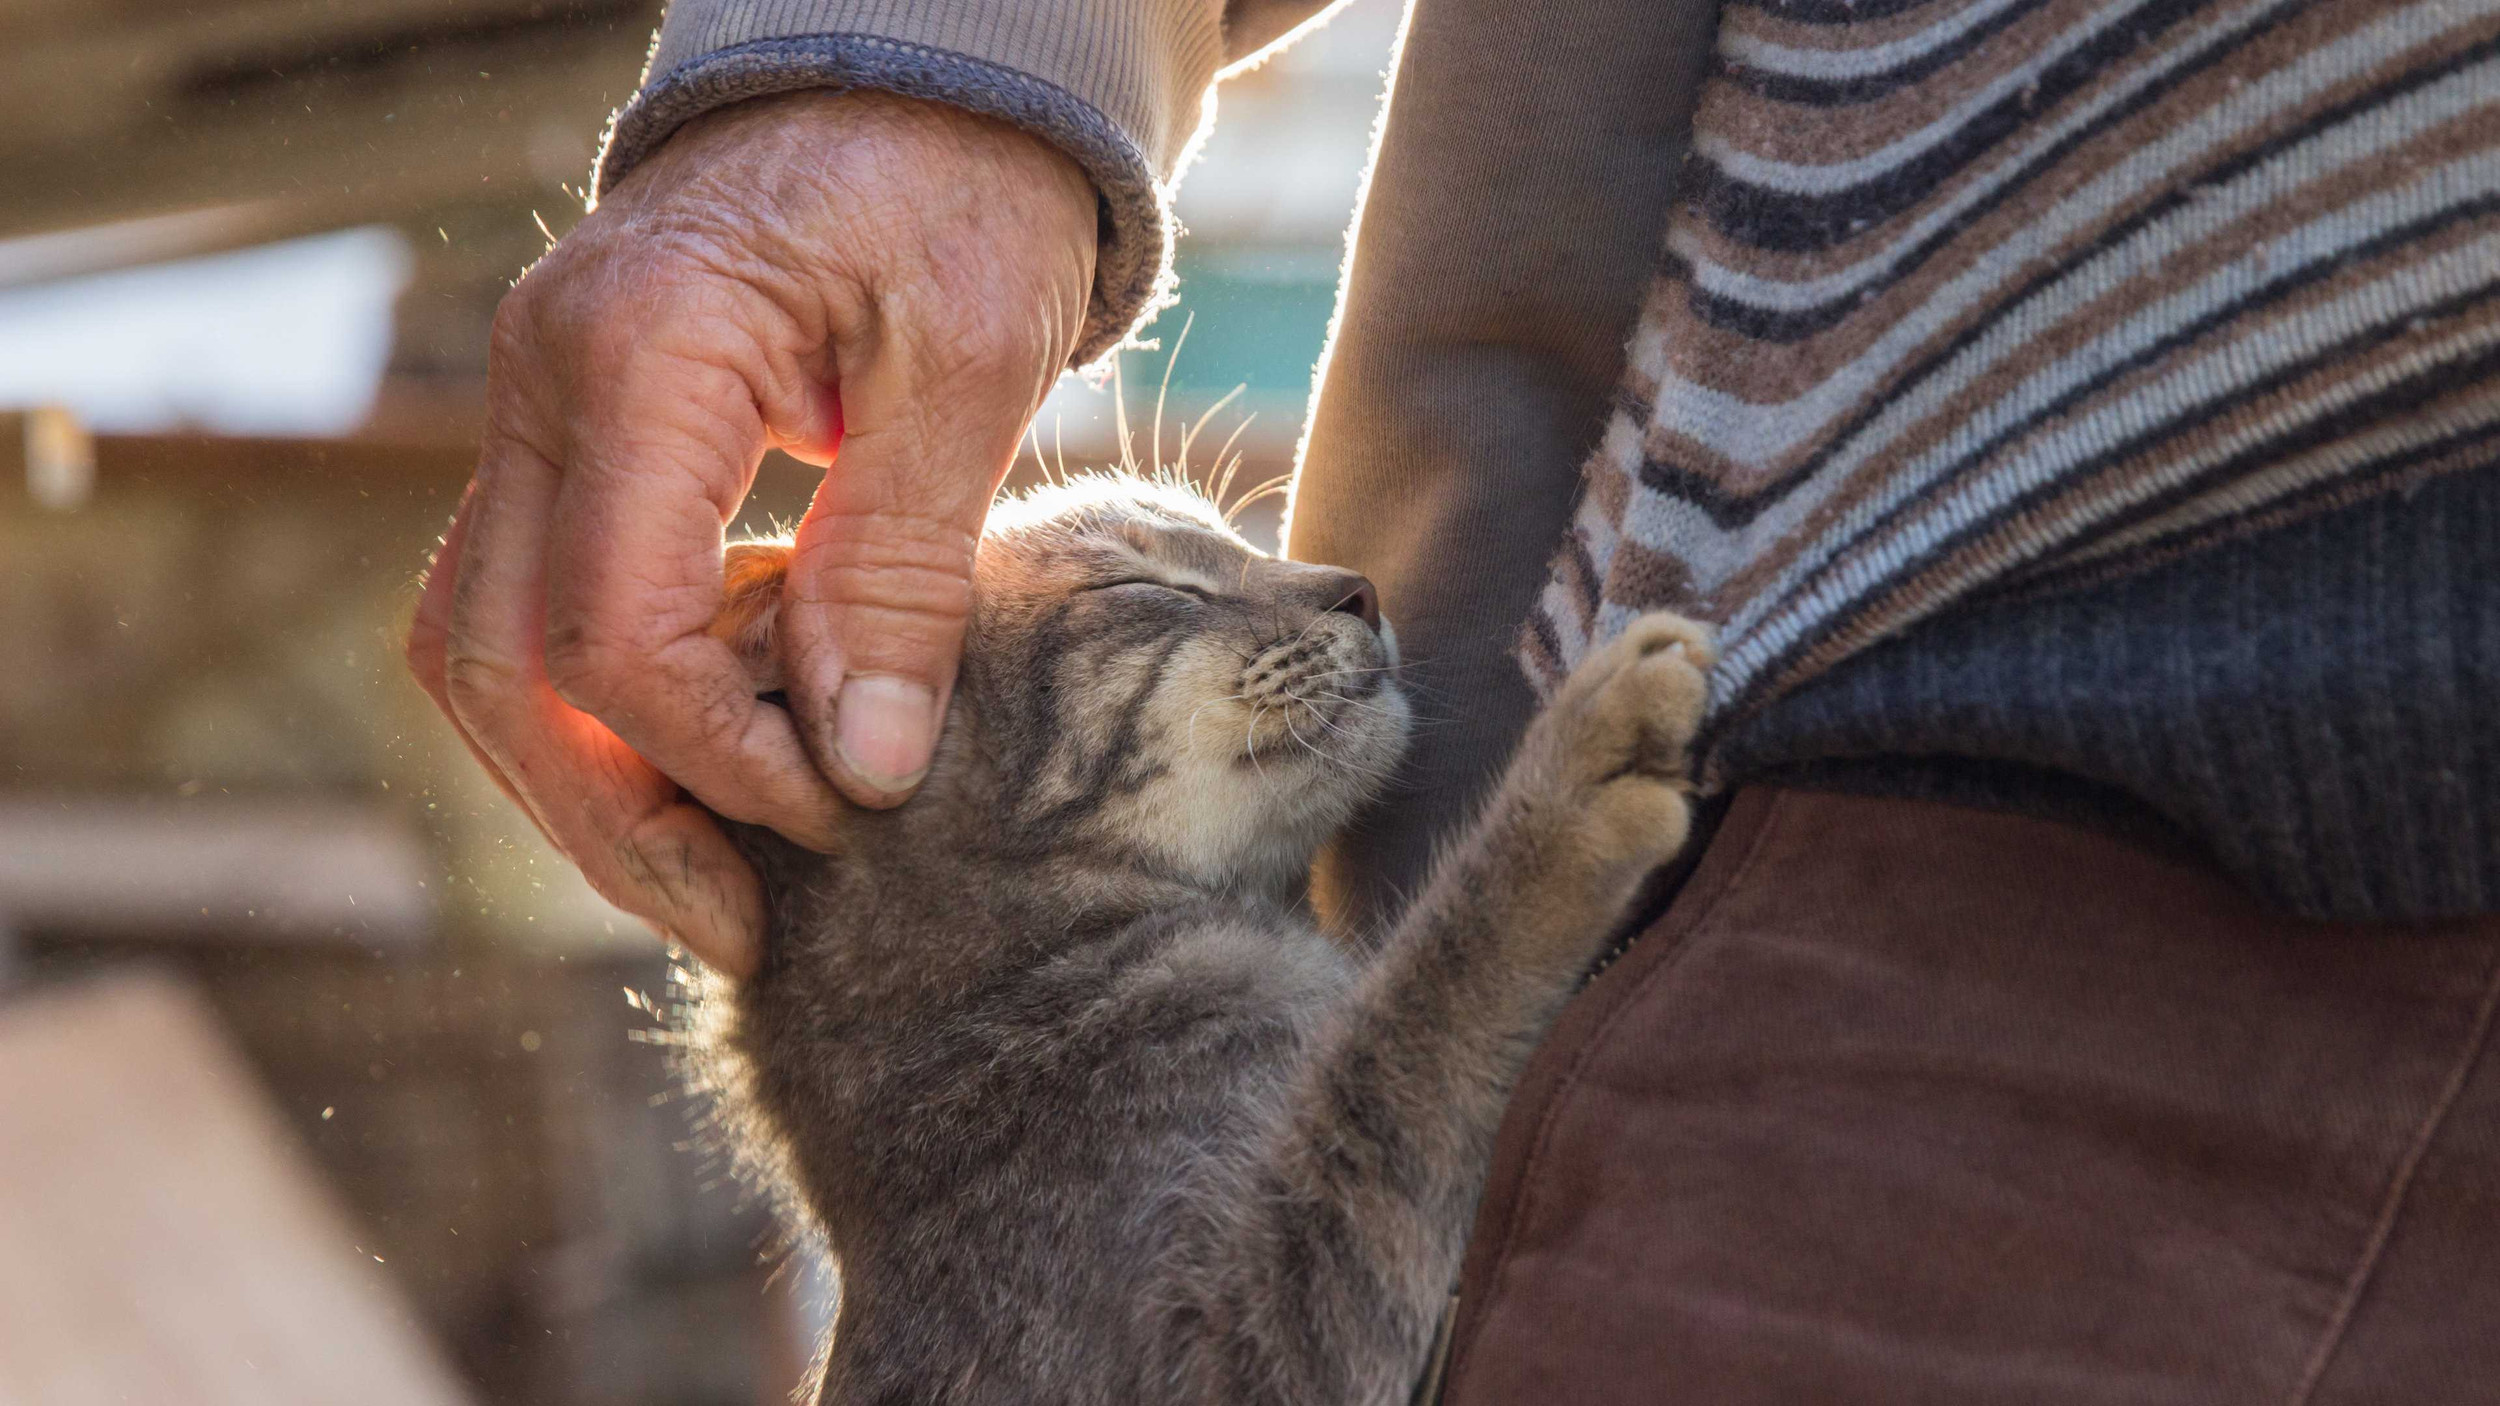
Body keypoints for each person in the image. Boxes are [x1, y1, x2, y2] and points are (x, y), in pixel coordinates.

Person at [407, 0, 2500, 1400]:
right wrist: (922, 49)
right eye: (1172, 584)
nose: (1309, 584)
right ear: (889, 747)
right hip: (1941, 783)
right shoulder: (1020, 1093)